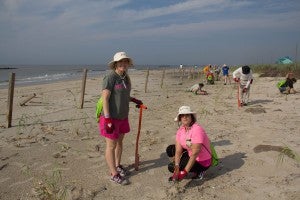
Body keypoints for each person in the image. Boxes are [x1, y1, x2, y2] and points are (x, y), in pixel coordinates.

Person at [99, 51, 143, 185]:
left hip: (123, 116)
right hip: (110, 117)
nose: (123, 64)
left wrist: (134, 100)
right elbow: (105, 98)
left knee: (120, 142)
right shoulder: (110, 77)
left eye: (125, 62)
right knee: (111, 145)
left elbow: (122, 95)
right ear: (116, 64)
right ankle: (114, 173)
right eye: (121, 62)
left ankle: (118, 165)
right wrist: (107, 119)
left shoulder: (126, 77)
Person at [166, 106, 212, 181]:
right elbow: (178, 150)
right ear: (180, 118)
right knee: (170, 151)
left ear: (191, 117)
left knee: (175, 167)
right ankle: (180, 166)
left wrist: (184, 172)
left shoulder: (197, 129)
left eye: (187, 115)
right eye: (182, 116)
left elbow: (195, 153)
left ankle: (200, 171)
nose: (185, 117)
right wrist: (177, 166)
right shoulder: (181, 130)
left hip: (202, 160)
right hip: (190, 152)